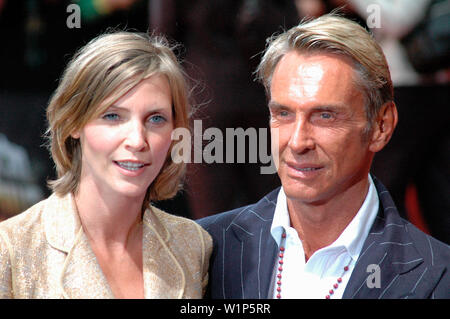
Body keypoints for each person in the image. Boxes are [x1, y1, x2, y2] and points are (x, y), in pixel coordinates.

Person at [197, 14, 449, 299]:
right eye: (283, 114)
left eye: (325, 116)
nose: (297, 141)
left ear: (381, 126)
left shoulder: (437, 277)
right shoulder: (206, 249)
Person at [0, 31, 212, 299]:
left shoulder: (193, 246)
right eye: (113, 116)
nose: (137, 140)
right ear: (74, 123)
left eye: (156, 119)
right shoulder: (10, 249)